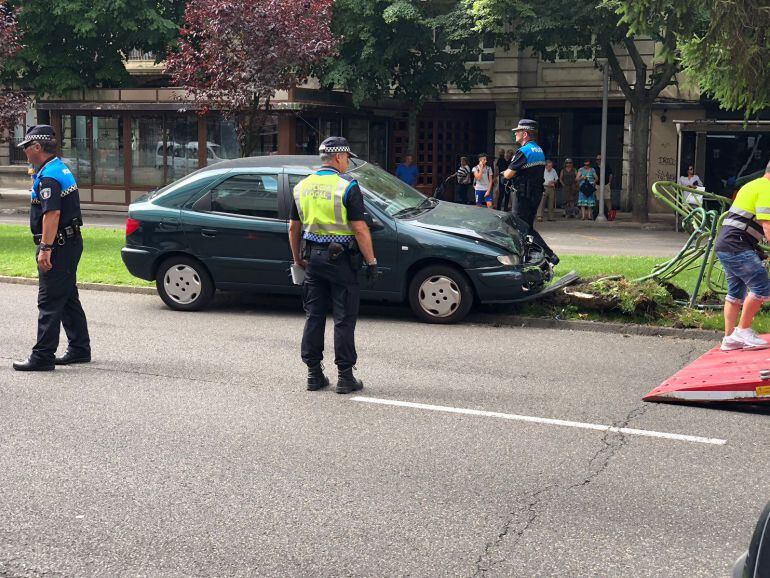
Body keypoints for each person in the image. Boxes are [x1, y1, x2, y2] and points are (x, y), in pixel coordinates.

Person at [288, 136, 378, 393]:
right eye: (347, 157)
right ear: (339, 157)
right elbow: (360, 229)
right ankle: (345, 377)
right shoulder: (347, 186)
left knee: (314, 316)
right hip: (341, 262)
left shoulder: (302, 186)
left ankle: (314, 375)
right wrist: (371, 262)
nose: (348, 161)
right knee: (344, 318)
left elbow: (294, 227)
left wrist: (297, 260)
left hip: (313, 260)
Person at [13, 125, 91, 371]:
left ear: (37, 147)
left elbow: (52, 213)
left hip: (58, 245)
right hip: (69, 242)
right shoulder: (59, 168)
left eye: (26, 147)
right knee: (67, 297)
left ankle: (43, 356)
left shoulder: (49, 176)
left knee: (49, 300)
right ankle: (79, 348)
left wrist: (45, 248)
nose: (25, 151)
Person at [715, 161, 770, 351]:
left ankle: (729, 338)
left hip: (726, 245)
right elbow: (767, 224)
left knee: (735, 293)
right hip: (737, 245)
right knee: (762, 287)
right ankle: (743, 329)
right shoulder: (767, 188)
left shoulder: (752, 185)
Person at [503, 119, 558, 265]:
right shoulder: (539, 150)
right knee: (526, 228)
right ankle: (532, 257)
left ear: (525, 134)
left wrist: (505, 172)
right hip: (535, 194)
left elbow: (508, 174)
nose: (515, 134)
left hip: (523, 195)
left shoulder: (524, 151)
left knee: (519, 227)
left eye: (518, 132)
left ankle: (548, 255)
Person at [595, 153, 614, 219]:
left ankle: (610, 213)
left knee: (607, 199)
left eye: (600, 159)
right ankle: (598, 212)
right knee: (598, 199)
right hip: (598, 185)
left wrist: (609, 183)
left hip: (606, 184)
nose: (598, 160)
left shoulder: (606, 166)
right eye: (597, 159)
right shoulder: (595, 167)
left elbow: (610, 174)